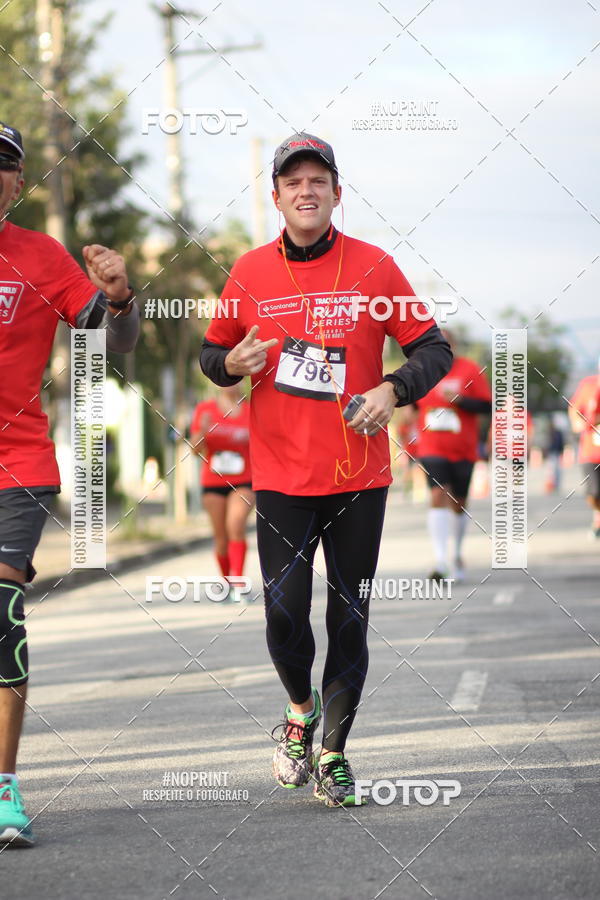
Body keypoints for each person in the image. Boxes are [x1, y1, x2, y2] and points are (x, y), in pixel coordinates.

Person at [200, 132, 452, 806]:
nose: (306, 191)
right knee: (284, 614)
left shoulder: (374, 268)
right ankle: (298, 712)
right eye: (293, 181)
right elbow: (211, 352)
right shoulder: (249, 272)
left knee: (349, 617)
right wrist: (230, 365)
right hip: (280, 477)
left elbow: (434, 350)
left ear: (337, 193)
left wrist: (392, 390)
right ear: (276, 196)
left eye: (319, 181)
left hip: (359, 478)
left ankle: (335, 753)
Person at [0, 121, 139, 846]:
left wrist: (119, 298)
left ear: (19, 183)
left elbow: (113, 347)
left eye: (4, 165)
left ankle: (2, 788)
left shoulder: (38, 256)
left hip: (16, 466)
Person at [413, 330, 491, 583]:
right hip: (432, 446)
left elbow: (487, 405)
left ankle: (456, 554)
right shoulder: (423, 369)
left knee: (459, 501)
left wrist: (459, 400)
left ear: (454, 345)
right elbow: (412, 404)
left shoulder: (470, 369)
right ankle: (440, 560)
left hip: (463, 448)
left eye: (446, 344)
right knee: (437, 494)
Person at [190, 384, 254, 595]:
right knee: (221, 537)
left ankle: (237, 583)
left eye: (235, 379)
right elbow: (194, 449)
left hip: (244, 480)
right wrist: (202, 430)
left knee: (235, 525)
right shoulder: (205, 409)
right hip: (214, 481)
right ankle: (226, 582)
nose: (231, 384)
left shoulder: (250, 410)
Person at [569, 360, 600, 537]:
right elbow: (574, 409)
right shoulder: (588, 386)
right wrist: (578, 422)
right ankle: (598, 513)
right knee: (594, 493)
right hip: (592, 451)